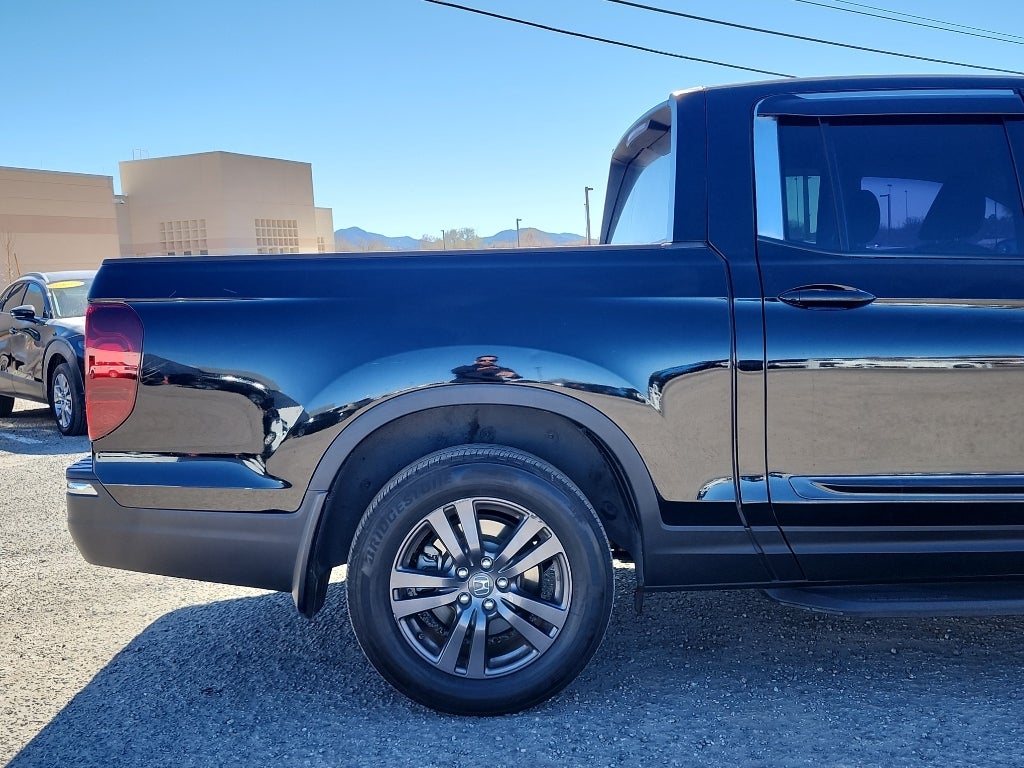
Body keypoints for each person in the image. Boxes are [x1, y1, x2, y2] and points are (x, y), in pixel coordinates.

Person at [451, 354, 521, 383]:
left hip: (495, 390)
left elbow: (517, 377)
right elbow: (455, 371)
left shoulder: (501, 369)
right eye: (483, 360)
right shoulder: (466, 368)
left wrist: (513, 375)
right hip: (464, 387)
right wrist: (479, 369)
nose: (487, 362)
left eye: (492, 360)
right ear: (476, 361)